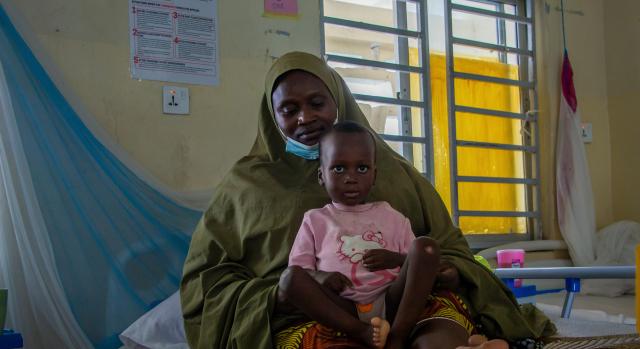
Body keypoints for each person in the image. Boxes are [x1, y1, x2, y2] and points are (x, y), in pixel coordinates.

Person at [180, 51, 556, 349]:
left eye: (316, 103)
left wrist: (447, 271)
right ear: (271, 114)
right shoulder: (247, 185)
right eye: (289, 110)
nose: (305, 118)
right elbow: (206, 279)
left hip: (410, 303)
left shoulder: (394, 171)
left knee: (438, 339)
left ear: (337, 101)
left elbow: (447, 246)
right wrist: (276, 295)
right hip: (309, 316)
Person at [281, 121, 446, 349]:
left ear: (374, 174)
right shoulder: (315, 220)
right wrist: (321, 278)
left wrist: (394, 258)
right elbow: (299, 269)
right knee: (289, 279)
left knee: (426, 247)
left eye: (362, 169)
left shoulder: (392, 217)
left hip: (392, 300)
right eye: (339, 168)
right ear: (321, 175)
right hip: (341, 307)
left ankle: (396, 338)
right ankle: (363, 332)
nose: (351, 177)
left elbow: (419, 266)